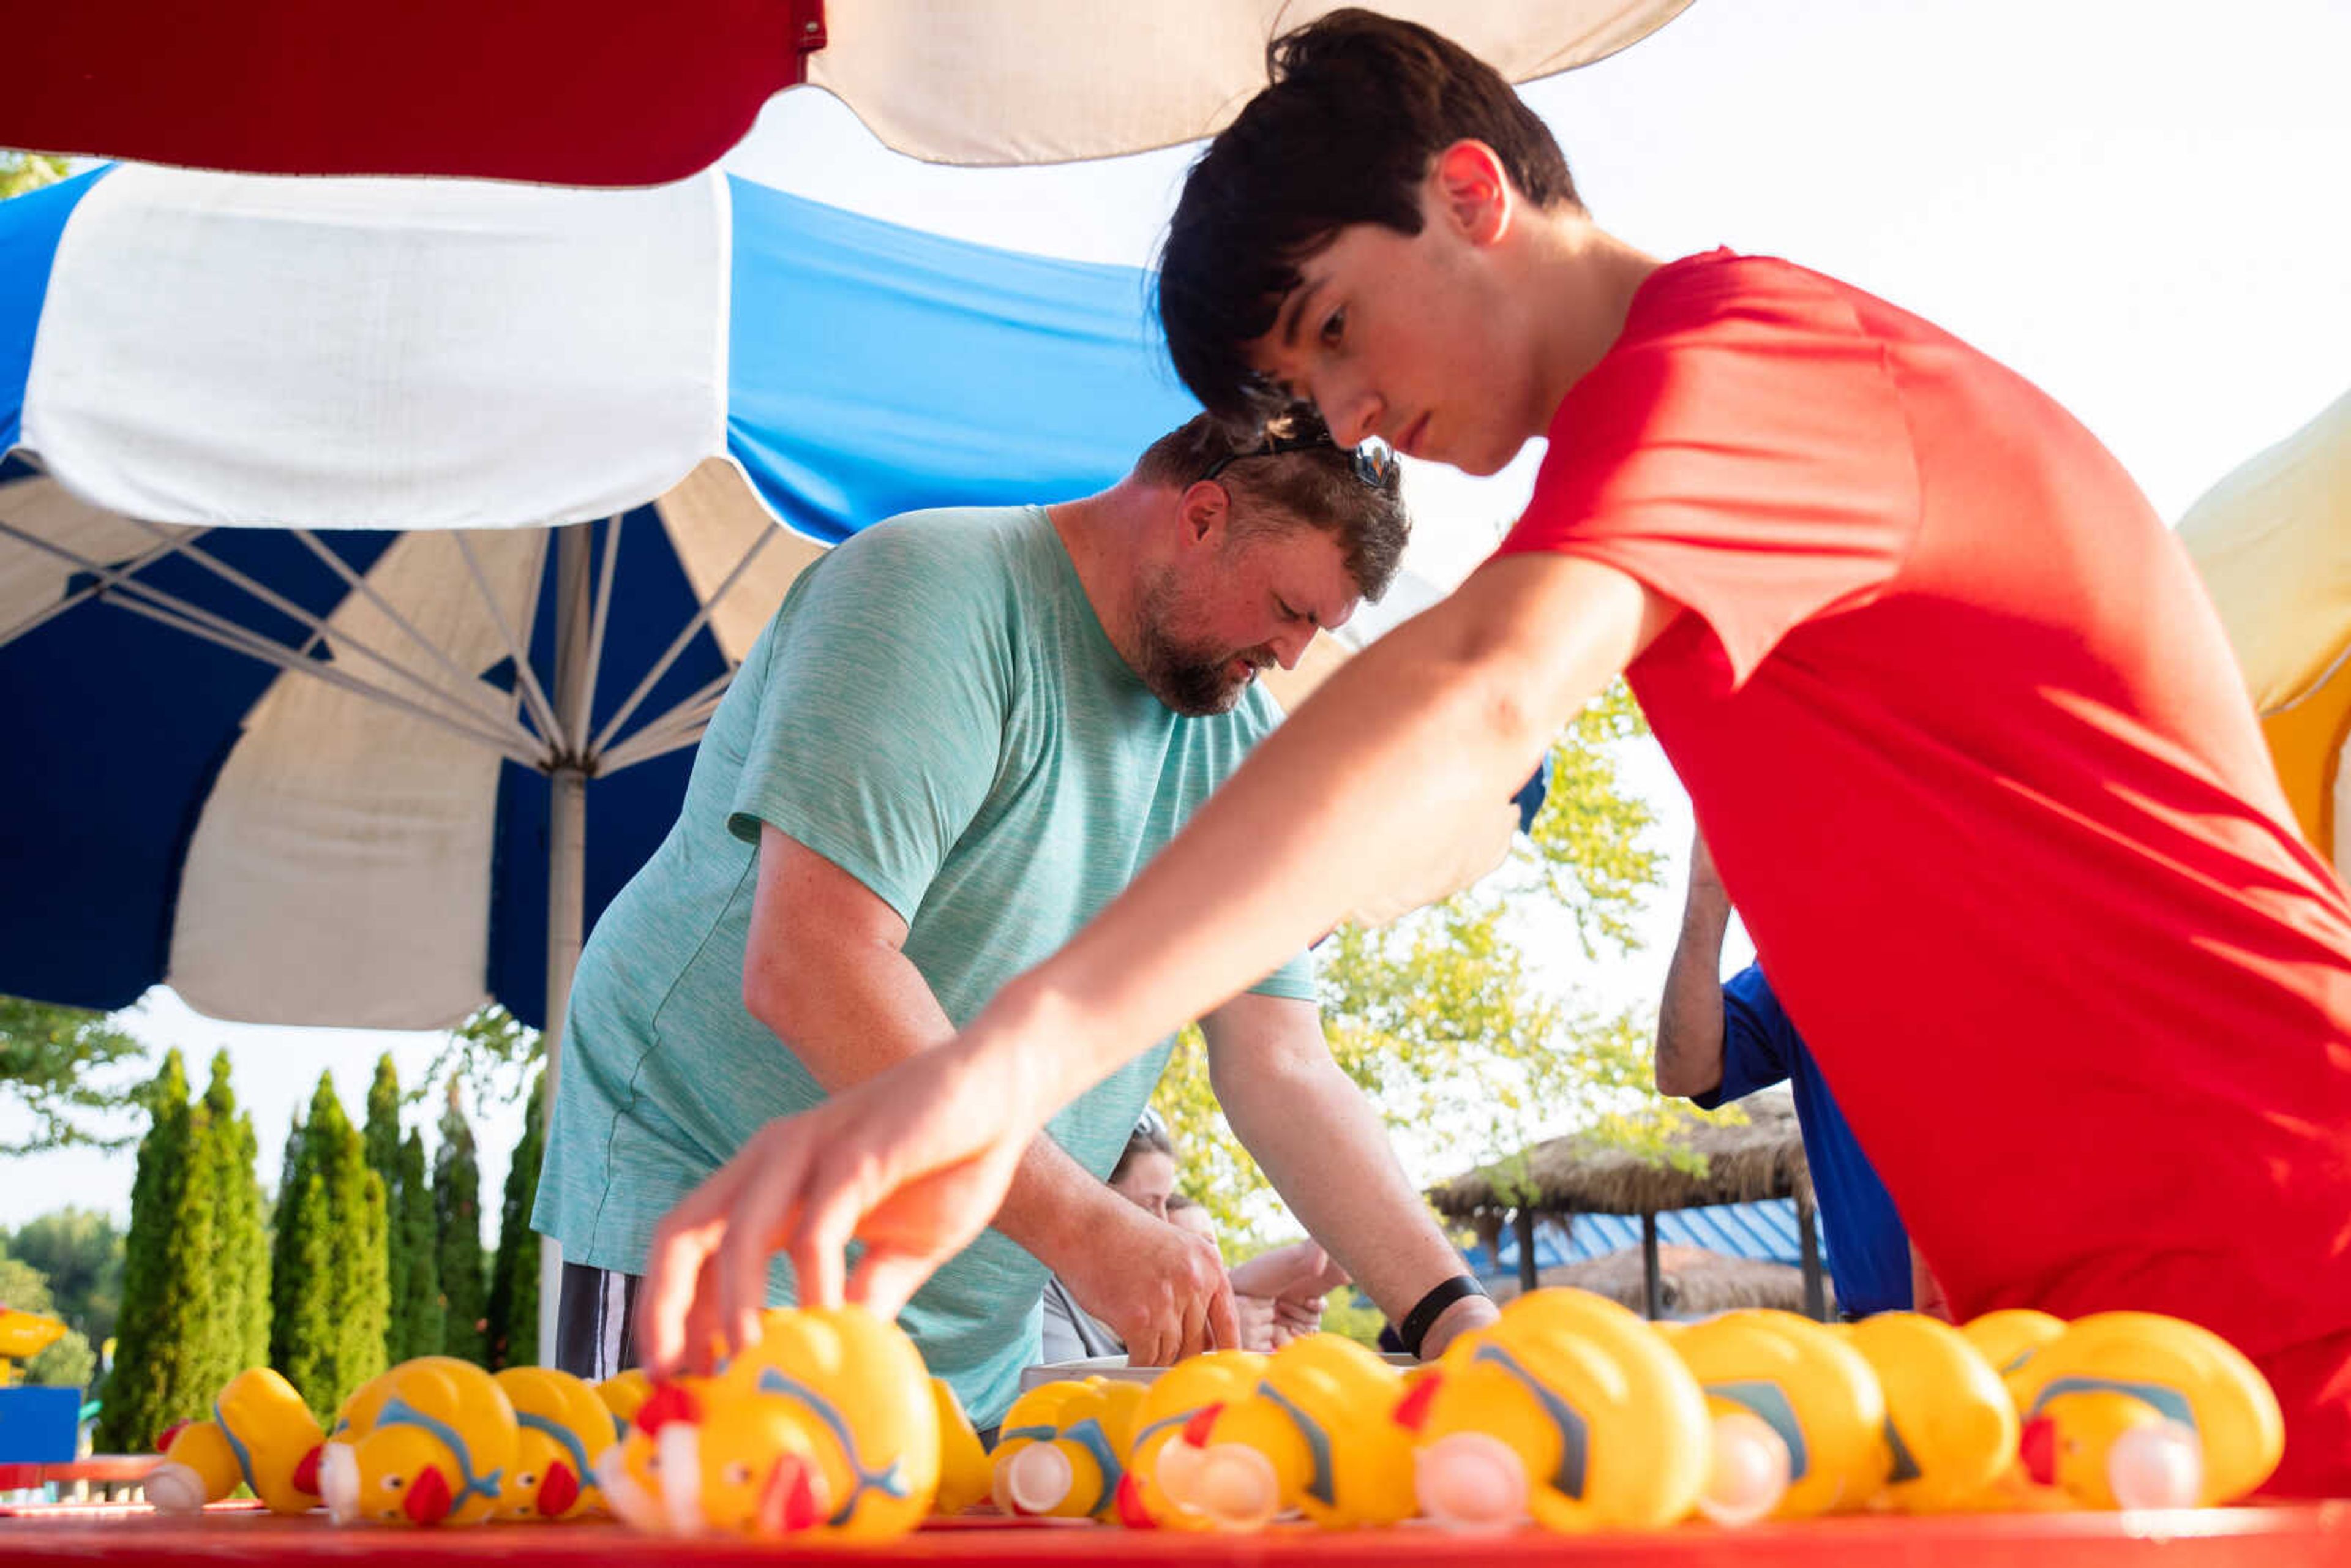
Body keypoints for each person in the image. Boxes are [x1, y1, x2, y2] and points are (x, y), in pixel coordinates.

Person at [636, 12, 2351, 1494]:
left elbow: (1478, 686)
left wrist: (997, 1064)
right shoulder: (1657, 476)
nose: (1354, 418)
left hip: (2292, 1266)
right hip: (2077, 1344)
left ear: (1470, 194)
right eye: (1304, 394)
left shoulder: (1759, 360)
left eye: (1331, 328)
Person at [533, 408, 1500, 1429]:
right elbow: (816, 964)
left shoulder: (1238, 743)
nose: (1295, 657)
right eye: (1287, 609)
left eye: (1319, 628)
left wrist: (1458, 1320)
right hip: (719, 1223)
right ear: (1203, 518)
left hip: (971, 1306)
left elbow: (1283, 1065)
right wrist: (1088, 1228)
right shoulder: (928, 592)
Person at [1655, 831, 1910, 1318]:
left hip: (2034, 1322)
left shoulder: (2008, 912)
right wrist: (1707, 894)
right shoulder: (1807, 957)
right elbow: (1685, 1070)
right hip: (1882, 1339)